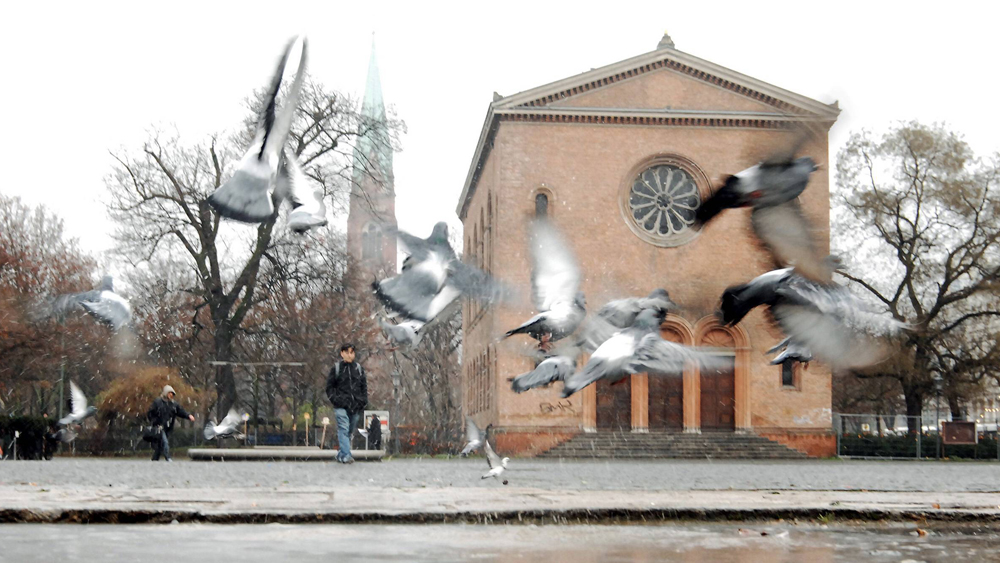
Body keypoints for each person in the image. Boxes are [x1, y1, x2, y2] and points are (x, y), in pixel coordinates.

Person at [325, 343, 368, 464]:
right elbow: (329, 387)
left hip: (355, 406)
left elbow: (363, 387)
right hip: (340, 405)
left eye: (352, 352)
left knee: (348, 431)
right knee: (343, 429)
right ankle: (346, 456)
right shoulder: (337, 369)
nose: (350, 355)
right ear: (342, 353)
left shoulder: (359, 369)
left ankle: (341, 454)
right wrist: (336, 400)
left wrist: (362, 401)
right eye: (347, 352)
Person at [147, 385, 195, 461]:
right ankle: (168, 458)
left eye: (172, 394)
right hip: (159, 427)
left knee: (160, 445)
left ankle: (155, 460)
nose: (171, 395)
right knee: (165, 442)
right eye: (169, 393)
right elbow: (150, 413)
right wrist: (154, 422)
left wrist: (188, 416)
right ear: (166, 393)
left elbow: (180, 411)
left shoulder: (174, 404)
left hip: (168, 428)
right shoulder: (158, 402)